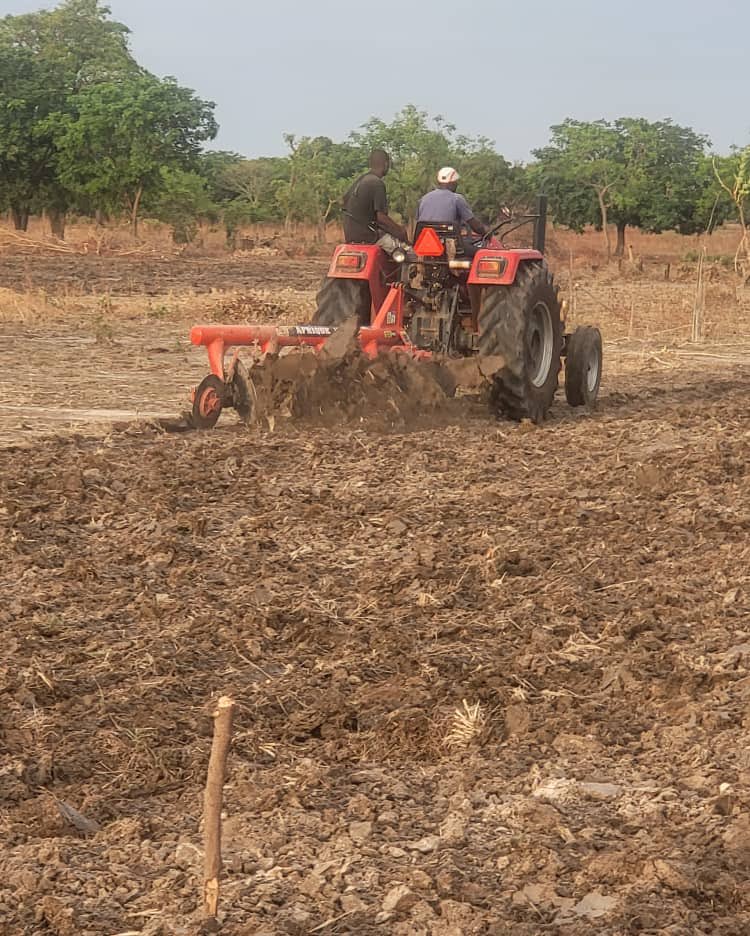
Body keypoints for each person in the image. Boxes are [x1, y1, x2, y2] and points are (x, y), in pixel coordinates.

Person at [342, 149, 408, 244]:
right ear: (386, 164)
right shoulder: (377, 183)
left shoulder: (359, 180)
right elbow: (381, 218)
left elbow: (344, 201)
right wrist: (400, 231)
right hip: (368, 236)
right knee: (405, 249)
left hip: (350, 236)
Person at [416, 167, 488, 240]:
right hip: (447, 244)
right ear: (452, 183)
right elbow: (475, 225)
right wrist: (486, 233)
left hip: (423, 243)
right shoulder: (457, 199)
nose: (457, 184)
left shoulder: (423, 199)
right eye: (456, 182)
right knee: (473, 247)